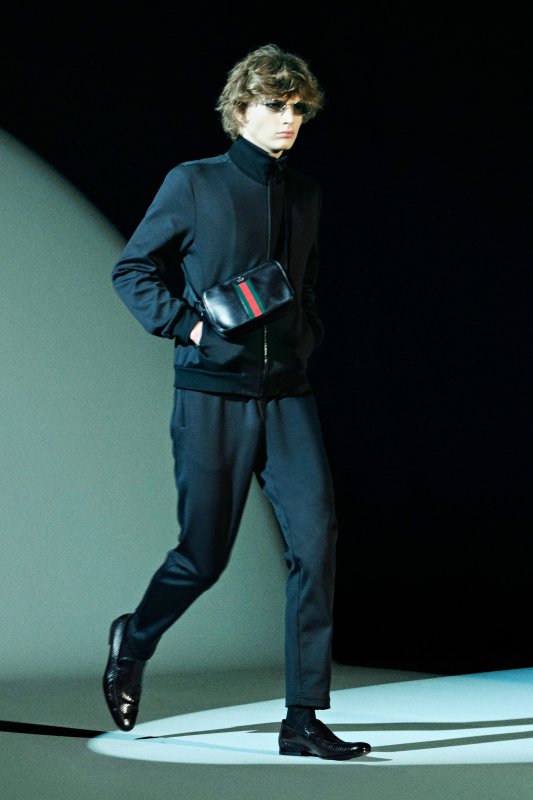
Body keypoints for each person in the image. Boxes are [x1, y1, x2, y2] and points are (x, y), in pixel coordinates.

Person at [103, 43, 371, 761]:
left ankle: (302, 719)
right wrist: (188, 327)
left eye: (298, 108)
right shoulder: (194, 182)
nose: (289, 119)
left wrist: (304, 339)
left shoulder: (306, 193)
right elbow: (132, 268)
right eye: (275, 106)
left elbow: (305, 285)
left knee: (315, 543)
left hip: (287, 395)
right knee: (203, 556)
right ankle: (135, 639)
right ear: (241, 109)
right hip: (211, 396)